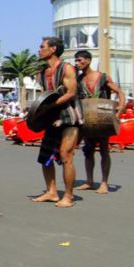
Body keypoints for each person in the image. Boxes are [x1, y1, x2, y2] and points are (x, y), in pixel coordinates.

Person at [31, 37, 81, 208]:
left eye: (42, 46)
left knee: (66, 156)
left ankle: (68, 196)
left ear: (53, 49)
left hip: (69, 118)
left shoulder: (66, 68)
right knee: (45, 157)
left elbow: (71, 93)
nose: (39, 49)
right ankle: (51, 192)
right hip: (52, 118)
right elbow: (47, 95)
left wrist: (50, 106)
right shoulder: (42, 72)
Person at [74, 50, 125, 194]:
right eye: (76, 61)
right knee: (88, 151)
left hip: (103, 118)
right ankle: (89, 181)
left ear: (88, 61)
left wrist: (120, 108)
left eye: (80, 60)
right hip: (87, 119)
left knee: (104, 150)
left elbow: (120, 92)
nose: (77, 63)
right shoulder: (78, 80)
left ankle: (104, 183)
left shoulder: (102, 77)